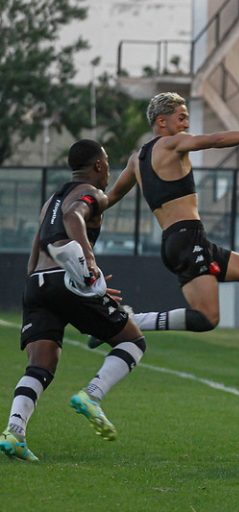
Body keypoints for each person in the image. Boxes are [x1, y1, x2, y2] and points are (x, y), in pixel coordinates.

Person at [99, 91, 239, 369]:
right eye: (181, 118)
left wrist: (79, 203)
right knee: (206, 318)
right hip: (187, 239)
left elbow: (109, 198)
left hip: (182, 240)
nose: (186, 124)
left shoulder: (137, 159)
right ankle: (128, 320)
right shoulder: (172, 143)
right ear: (162, 122)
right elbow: (215, 140)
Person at [0, 140, 148, 462]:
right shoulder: (88, 195)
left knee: (41, 364)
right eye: (107, 163)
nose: (108, 169)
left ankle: (14, 431)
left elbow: (36, 252)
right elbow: (73, 217)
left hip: (36, 283)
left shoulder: (51, 200)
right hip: (65, 279)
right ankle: (92, 395)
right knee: (133, 342)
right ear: (98, 166)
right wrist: (89, 265)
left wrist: (76, 283)